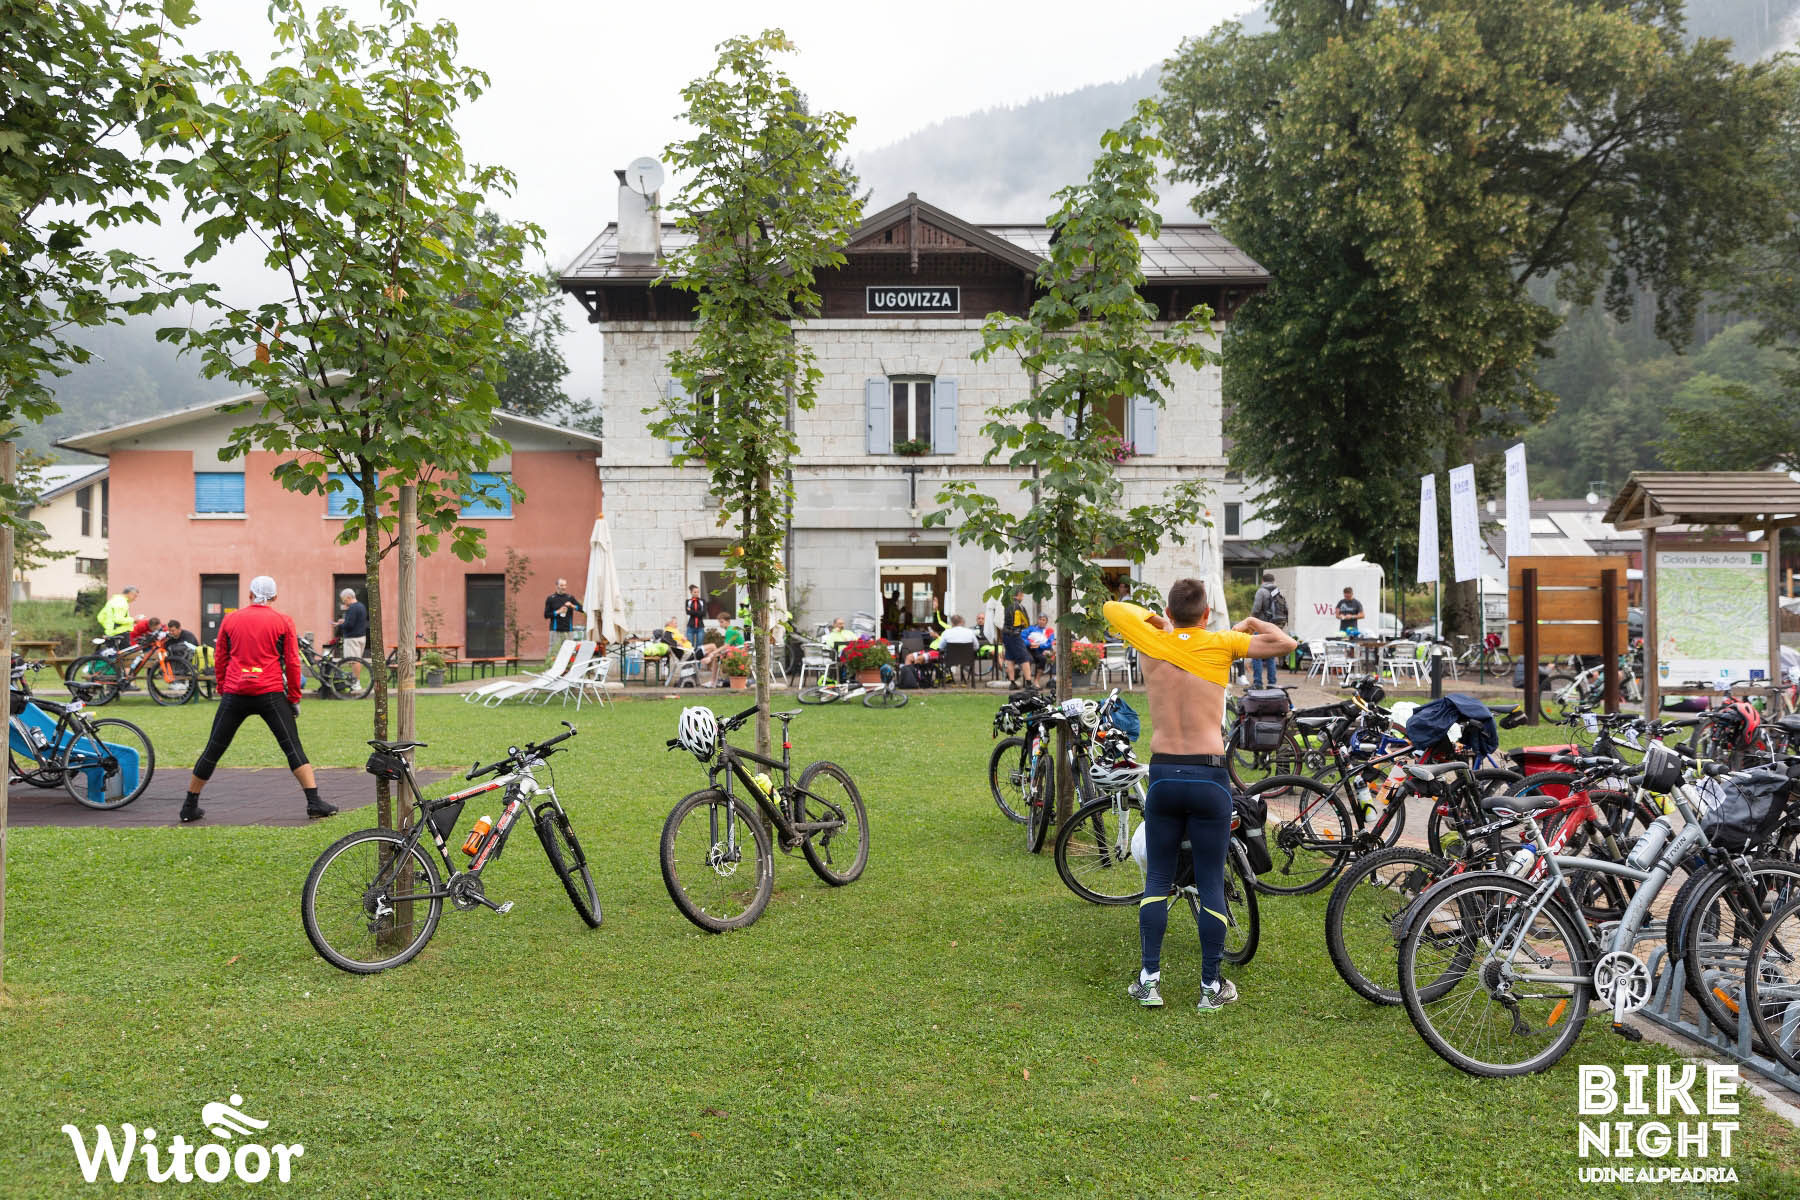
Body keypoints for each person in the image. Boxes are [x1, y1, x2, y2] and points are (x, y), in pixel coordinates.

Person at [1105, 579, 1295, 1012]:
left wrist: (1156, 621)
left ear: (1170, 612)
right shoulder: (1222, 642)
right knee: (1210, 882)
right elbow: (1285, 643)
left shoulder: (1151, 642)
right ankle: (1210, 987)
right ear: (1206, 614)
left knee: (1157, 881)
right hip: (1209, 776)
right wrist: (1251, 622)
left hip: (1164, 775)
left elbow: (1112, 608)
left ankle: (1149, 981)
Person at [179, 575, 335, 824]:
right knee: (292, 747)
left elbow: (221, 657)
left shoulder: (231, 619)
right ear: (275, 597)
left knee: (214, 748)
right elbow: (292, 662)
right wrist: (294, 697)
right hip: (270, 692)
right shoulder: (283, 621)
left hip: (235, 692)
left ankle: (189, 805)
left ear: (250, 594)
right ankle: (314, 802)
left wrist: (222, 686)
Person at [1249, 572, 1287, 688]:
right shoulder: (1278, 592)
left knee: (1256, 654)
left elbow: (1256, 609)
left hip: (1261, 626)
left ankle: (1258, 683)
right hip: (1275, 627)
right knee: (1271, 655)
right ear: (1273, 581)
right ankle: (1272, 683)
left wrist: (1251, 621)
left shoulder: (1261, 591)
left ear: (1262, 581)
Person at [1002, 590, 1032, 688]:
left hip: (1005, 634)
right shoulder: (1019, 606)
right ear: (1019, 595)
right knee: (1024, 658)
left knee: (1010, 657)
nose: (1023, 598)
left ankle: (1012, 683)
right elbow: (1027, 623)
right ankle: (1029, 683)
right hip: (1015, 635)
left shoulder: (1006, 605)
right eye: (1022, 595)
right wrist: (1022, 625)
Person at [334, 588, 368, 660]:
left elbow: (349, 625)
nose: (344, 602)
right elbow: (358, 621)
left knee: (353, 661)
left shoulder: (352, 608)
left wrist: (339, 625)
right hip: (361, 637)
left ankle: (355, 669)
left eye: (344, 600)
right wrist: (344, 621)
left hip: (352, 639)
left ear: (349, 597)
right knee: (358, 660)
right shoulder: (361, 606)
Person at [684, 584, 706, 650]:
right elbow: (687, 612)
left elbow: (704, 613)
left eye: (698, 592)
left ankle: (698, 657)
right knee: (690, 646)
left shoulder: (702, 601)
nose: (696, 593)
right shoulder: (688, 601)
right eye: (695, 592)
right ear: (691, 592)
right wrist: (699, 612)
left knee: (699, 646)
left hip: (700, 626)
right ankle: (692, 657)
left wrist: (692, 611)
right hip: (690, 626)